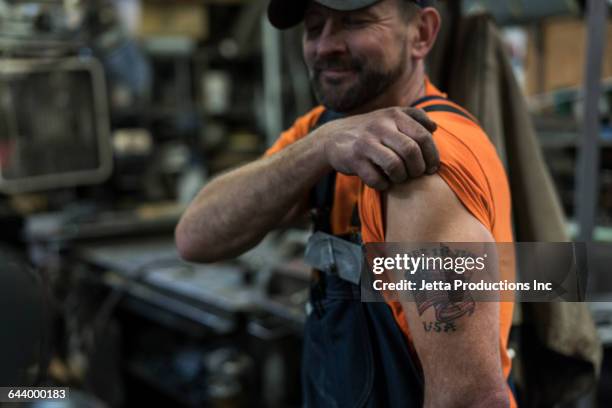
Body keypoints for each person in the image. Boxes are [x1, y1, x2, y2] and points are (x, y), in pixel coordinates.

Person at [176, 0, 515, 406]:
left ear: (421, 34)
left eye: (355, 22)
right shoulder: (325, 129)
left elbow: (473, 400)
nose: (324, 46)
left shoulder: (421, 169)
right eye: (314, 27)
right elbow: (195, 238)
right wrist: (320, 147)